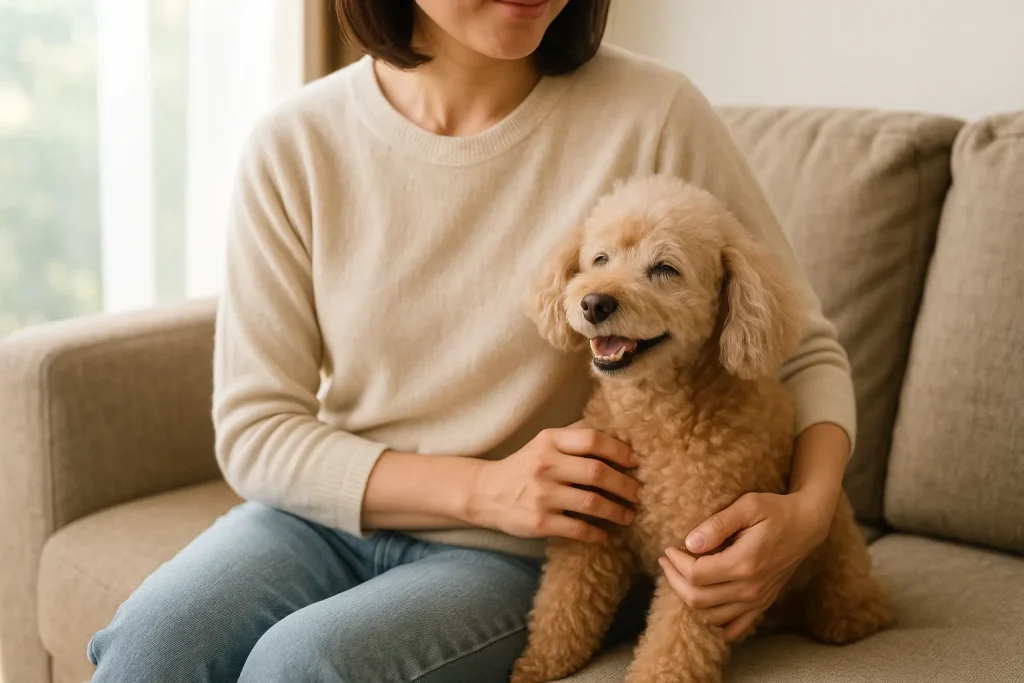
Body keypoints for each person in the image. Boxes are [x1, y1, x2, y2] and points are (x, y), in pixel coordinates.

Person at [87, 1, 856, 681]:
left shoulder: (654, 113)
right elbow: (256, 430)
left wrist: (810, 513)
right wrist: (485, 488)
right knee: (151, 648)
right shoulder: (295, 145)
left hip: (523, 554)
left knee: (304, 665)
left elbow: (804, 349)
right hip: (320, 517)